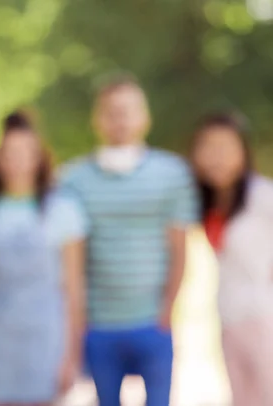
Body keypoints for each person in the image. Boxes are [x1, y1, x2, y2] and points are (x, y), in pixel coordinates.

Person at [58, 76, 197, 406]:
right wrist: (79, 320)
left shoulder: (173, 173)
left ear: (144, 117)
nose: (120, 119)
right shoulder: (73, 180)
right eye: (111, 112)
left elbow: (180, 249)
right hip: (99, 322)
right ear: (98, 119)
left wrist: (167, 310)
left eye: (128, 111)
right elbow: (71, 259)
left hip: (153, 320)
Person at [0, 112, 87, 406]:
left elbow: (73, 288)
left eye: (24, 153)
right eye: (8, 154)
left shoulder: (64, 211)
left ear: (38, 158)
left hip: (46, 341)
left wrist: (72, 356)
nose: (16, 162)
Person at [189, 112, 273, 406]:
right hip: (228, 319)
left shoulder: (262, 196)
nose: (216, 157)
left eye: (224, 147)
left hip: (263, 320)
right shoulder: (211, 202)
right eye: (208, 147)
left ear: (243, 151)